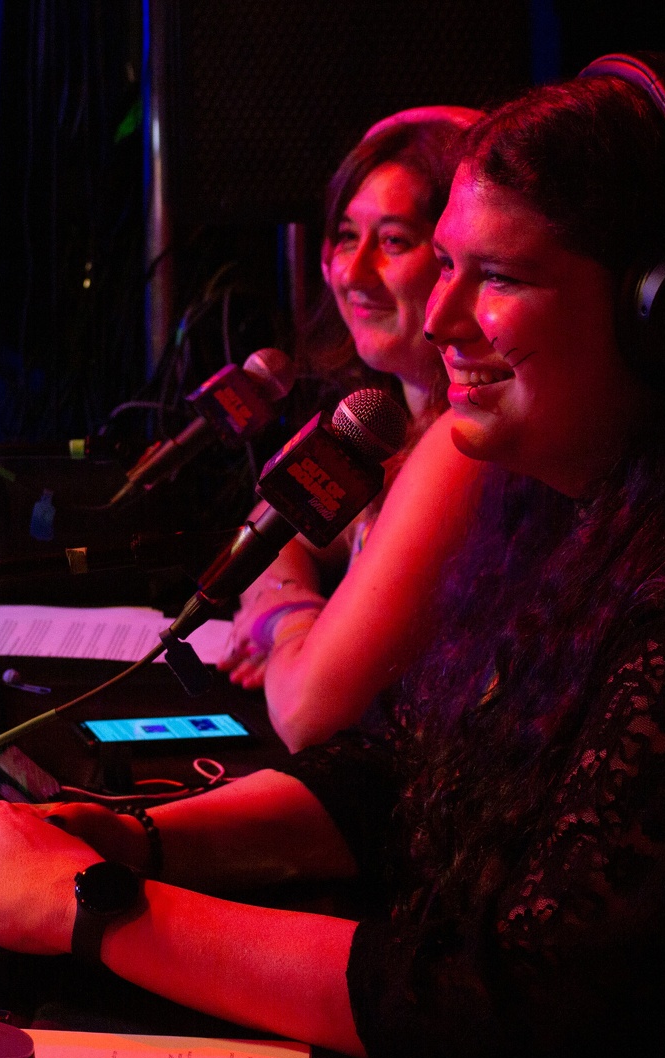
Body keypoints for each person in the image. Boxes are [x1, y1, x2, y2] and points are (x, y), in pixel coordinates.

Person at [0, 64, 665, 1058]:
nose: (440, 320)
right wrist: (140, 840)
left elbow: (501, 1009)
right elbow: (405, 775)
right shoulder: (568, 514)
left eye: (495, 278)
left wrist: (95, 907)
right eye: (439, 263)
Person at [217, 108, 488, 751]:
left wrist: (286, 642)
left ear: (462, 258)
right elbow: (269, 536)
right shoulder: (383, 417)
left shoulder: (465, 444)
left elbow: (310, 713)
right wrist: (293, 617)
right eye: (344, 236)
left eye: (393, 241)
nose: (351, 272)